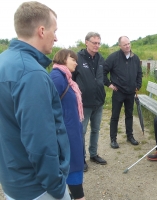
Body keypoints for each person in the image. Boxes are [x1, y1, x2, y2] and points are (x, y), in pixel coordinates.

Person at [0, 2, 71, 200]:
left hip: (13, 180)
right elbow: (40, 140)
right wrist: (57, 187)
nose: (56, 37)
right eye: (54, 31)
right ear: (41, 30)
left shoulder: (4, 61)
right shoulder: (31, 73)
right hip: (38, 188)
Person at [50, 49, 85, 200]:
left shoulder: (66, 77)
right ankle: (78, 196)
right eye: (73, 59)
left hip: (71, 130)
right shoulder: (57, 78)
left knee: (73, 163)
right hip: (65, 134)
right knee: (72, 164)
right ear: (64, 59)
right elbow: (47, 107)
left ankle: (73, 195)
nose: (76, 62)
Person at [73, 32, 107, 172]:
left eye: (99, 43)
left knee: (96, 130)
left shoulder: (100, 59)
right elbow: (71, 78)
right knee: (81, 131)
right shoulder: (77, 58)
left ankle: (93, 154)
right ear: (86, 42)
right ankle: (81, 158)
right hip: (83, 103)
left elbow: (103, 77)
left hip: (98, 101)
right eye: (94, 42)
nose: (97, 45)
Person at [103, 36, 143, 149]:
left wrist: (138, 85)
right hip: (118, 92)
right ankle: (113, 139)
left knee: (129, 115)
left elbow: (139, 73)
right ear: (120, 46)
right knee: (115, 116)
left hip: (130, 92)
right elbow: (103, 71)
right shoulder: (113, 58)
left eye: (129, 43)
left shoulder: (134, 57)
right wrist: (109, 84)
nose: (128, 46)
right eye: (125, 44)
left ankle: (130, 136)